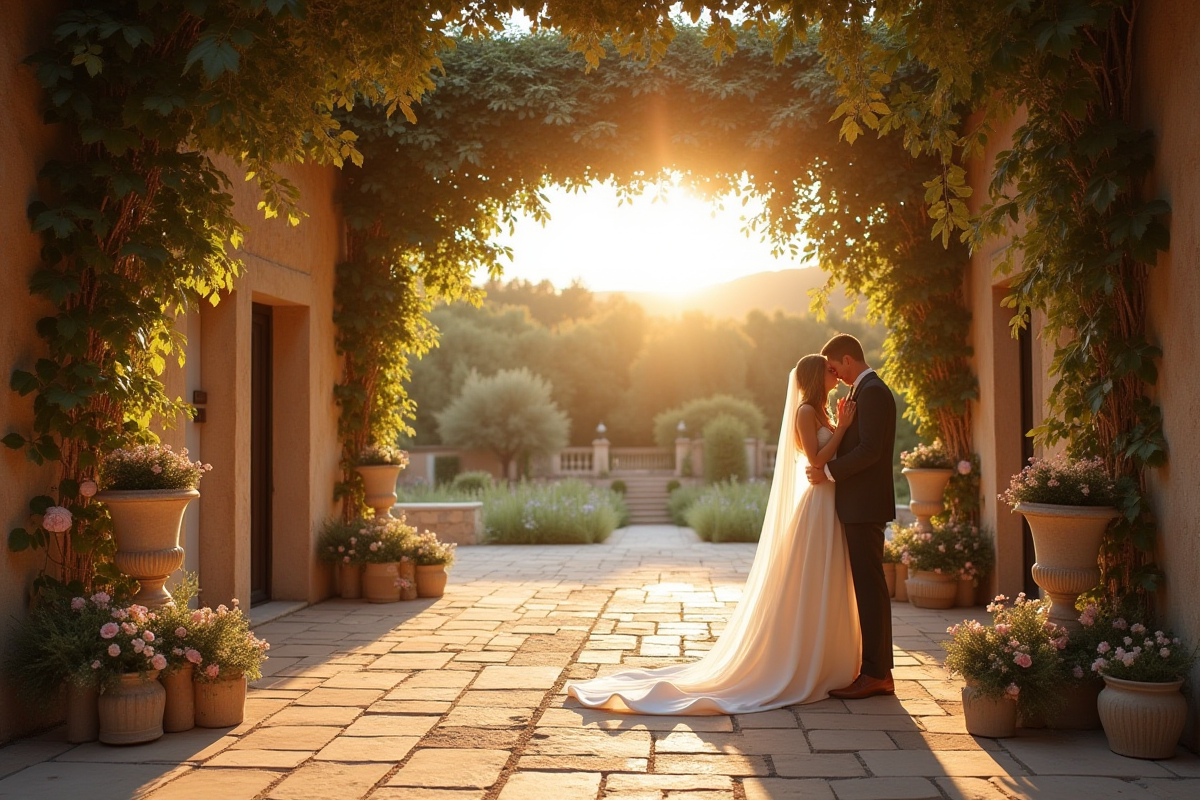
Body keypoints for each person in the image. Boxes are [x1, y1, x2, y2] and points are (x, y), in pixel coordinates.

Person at [565, 353, 863, 714]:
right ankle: (803, 661)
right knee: (811, 580)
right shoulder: (804, 412)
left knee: (825, 581)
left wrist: (840, 426)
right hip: (817, 505)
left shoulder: (822, 412)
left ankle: (826, 656)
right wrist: (843, 429)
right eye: (830, 371)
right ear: (817, 376)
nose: (837, 375)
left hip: (826, 502)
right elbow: (817, 461)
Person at [807, 333, 898, 699]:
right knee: (867, 586)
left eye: (835, 367)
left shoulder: (873, 391)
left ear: (848, 359)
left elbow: (870, 451)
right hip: (859, 504)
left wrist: (828, 473)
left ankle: (877, 673)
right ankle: (874, 669)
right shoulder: (863, 391)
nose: (835, 374)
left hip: (865, 505)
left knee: (870, 587)